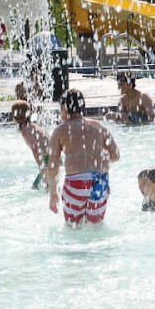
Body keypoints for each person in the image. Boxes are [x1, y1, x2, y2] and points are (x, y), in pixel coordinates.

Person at [47, 88, 121, 225]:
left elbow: (52, 166)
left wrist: (53, 194)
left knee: (73, 227)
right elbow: (116, 155)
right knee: (96, 226)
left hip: (77, 182)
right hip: (100, 180)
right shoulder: (98, 126)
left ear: (64, 108)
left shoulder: (60, 130)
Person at [11, 100, 51, 190]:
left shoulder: (25, 131)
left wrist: (41, 167)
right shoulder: (33, 126)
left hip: (47, 159)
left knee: (38, 186)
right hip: (53, 155)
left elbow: (35, 149)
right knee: (43, 185)